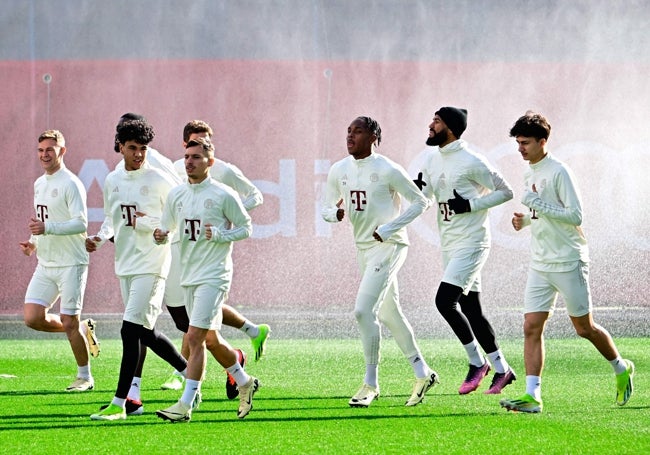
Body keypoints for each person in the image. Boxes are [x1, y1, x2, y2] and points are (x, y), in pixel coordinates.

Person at [499, 112, 634, 413]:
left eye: (526, 143)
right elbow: (544, 215)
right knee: (531, 326)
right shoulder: (529, 171)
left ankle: (621, 366)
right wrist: (527, 221)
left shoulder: (559, 171)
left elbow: (575, 217)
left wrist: (537, 205)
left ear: (543, 141)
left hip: (568, 260)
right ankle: (533, 396)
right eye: (518, 143)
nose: (520, 149)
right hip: (540, 262)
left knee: (584, 328)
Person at [322, 116, 439, 408]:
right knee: (389, 314)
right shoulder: (339, 170)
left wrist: (389, 228)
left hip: (390, 245)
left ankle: (370, 384)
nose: (350, 136)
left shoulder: (387, 168)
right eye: (348, 131)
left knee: (363, 311)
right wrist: (332, 214)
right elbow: (326, 205)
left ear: (374, 136)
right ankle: (422, 372)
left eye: (358, 131)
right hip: (364, 248)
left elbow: (421, 202)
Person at [160, 120, 270, 399]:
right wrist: (161, 233)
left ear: (209, 156)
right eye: (189, 151)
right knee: (203, 333)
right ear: (184, 146)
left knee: (194, 334)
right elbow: (171, 218)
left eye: (203, 148)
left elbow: (252, 203)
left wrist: (223, 222)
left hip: (214, 267)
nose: (191, 160)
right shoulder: (176, 176)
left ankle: (186, 394)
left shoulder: (224, 178)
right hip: (186, 260)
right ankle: (243, 373)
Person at [87, 119, 188, 421]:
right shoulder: (112, 181)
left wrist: (164, 230)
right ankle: (189, 371)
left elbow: (181, 210)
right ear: (120, 146)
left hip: (153, 264)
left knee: (128, 330)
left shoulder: (158, 180)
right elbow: (111, 219)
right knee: (147, 332)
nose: (139, 154)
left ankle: (121, 403)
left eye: (143, 149)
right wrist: (99, 239)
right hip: (127, 264)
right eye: (133, 148)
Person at [418, 107, 516, 395]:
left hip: (473, 242)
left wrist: (471, 205)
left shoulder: (472, 160)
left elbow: (506, 191)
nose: (430, 125)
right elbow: (422, 197)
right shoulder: (432, 159)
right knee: (472, 310)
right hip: (449, 243)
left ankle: (477, 362)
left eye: (436, 121)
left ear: (450, 127)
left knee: (444, 301)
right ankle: (502, 370)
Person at [19, 129, 99, 392]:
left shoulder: (71, 183)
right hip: (46, 262)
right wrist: (33, 242)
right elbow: (40, 222)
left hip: (71, 263)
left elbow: (81, 223)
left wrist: (47, 229)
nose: (44, 155)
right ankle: (82, 329)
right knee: (32, 318)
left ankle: (85, 377)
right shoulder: (39, 183)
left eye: (50, 150)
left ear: (62, 151)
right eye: (41, 150)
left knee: (68, 320)